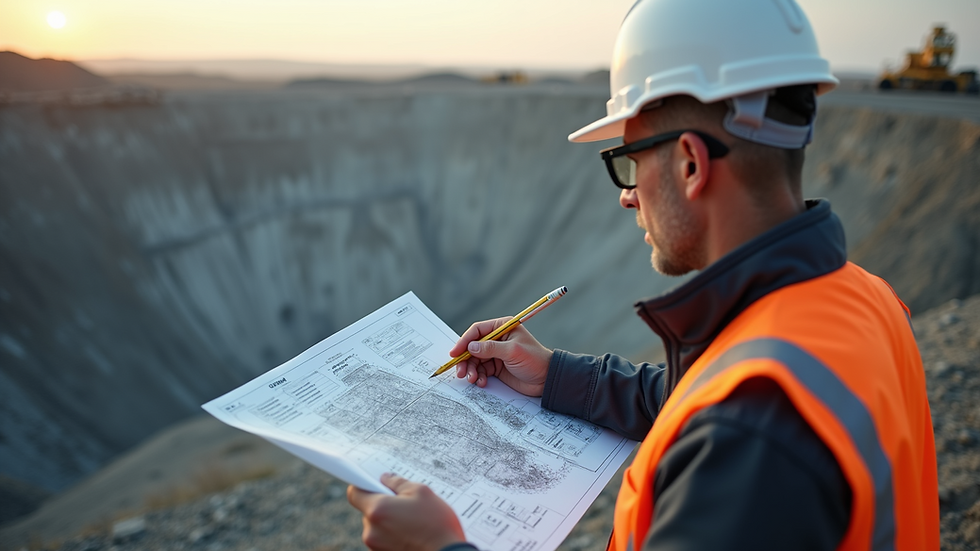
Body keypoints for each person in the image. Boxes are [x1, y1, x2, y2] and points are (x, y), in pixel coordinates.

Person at [348, 0, 940, 549]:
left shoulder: (751, 440)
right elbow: (699, 393)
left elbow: (736, 419)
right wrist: (554, 375)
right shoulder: (857, 296)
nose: (628, 198)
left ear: (689, 164)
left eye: (630, 163)